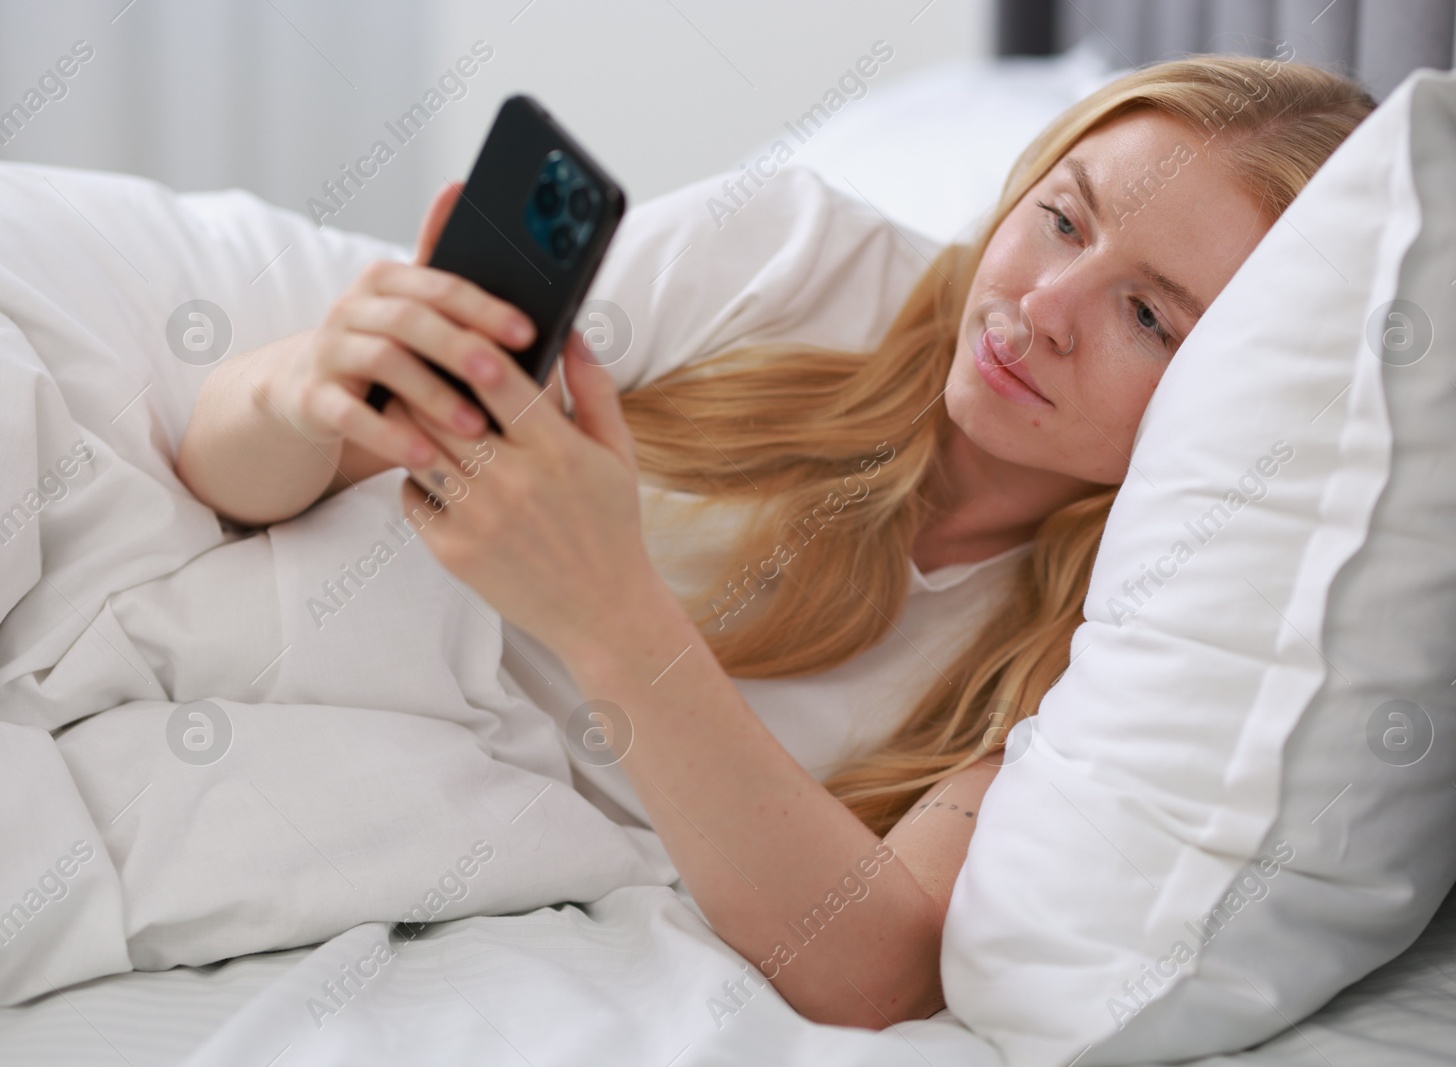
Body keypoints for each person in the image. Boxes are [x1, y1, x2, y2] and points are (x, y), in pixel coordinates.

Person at [175, 56, 1375, 1028]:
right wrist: (305, 392)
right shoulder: (800, 258)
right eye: (1061, 219)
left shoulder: (1106, 638)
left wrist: (607, 614)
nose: (1045, 309)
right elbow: (219, 473)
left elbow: (873, 970)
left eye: (1150, 316)